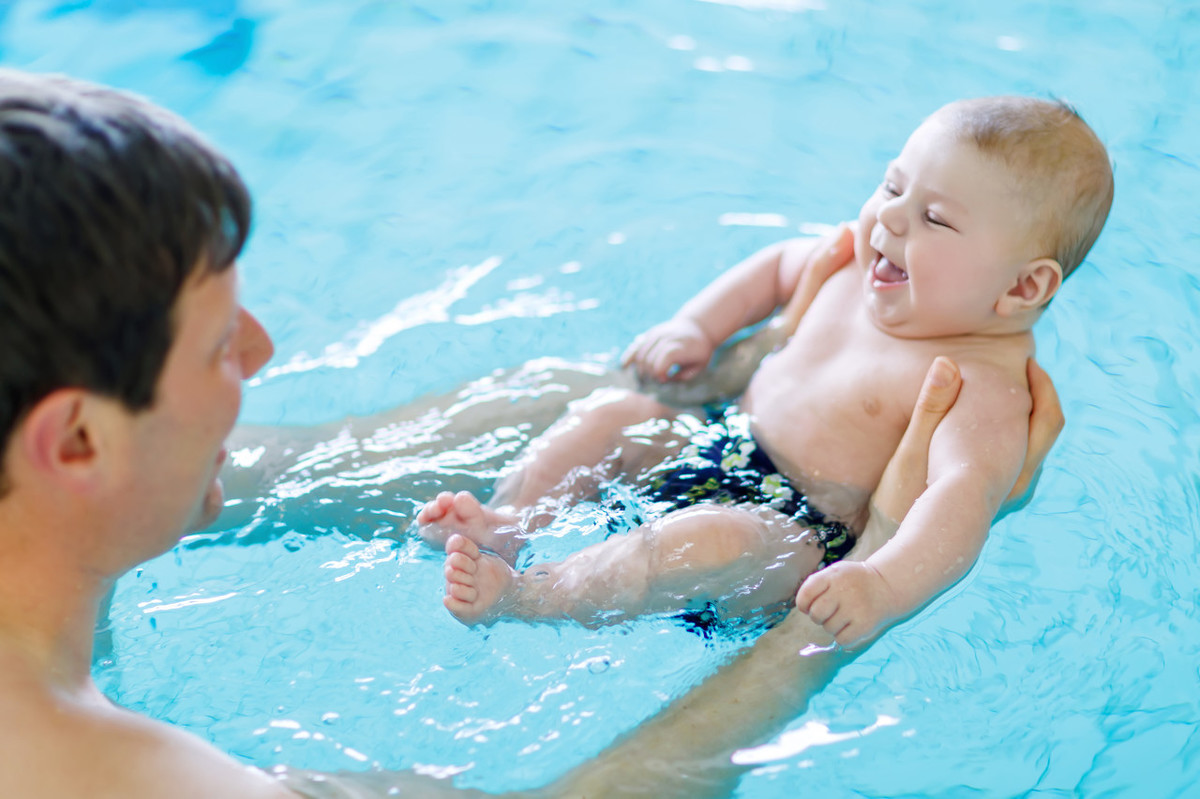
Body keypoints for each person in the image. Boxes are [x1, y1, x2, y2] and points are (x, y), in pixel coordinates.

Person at [0, 69, 1060, 798]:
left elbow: (282, 468)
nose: (264, 351)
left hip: (726, 464)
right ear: (77, 442)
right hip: (788, 548)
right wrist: (843, 609)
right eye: (219, 341)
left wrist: (727, 380)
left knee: (578, 398)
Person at [419, 96, 1111, 647]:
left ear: (1022, 288)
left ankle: (530, 595)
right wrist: (698, 325)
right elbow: (777, 267)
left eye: (933, 217)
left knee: (712, 538)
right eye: (892, 184)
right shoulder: (859, 266)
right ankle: (516, 518)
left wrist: (881, 584)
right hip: (719, 442)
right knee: (614, 416)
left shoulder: (983, 383)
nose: (889, 218)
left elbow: (961, 500)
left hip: (793, 538)